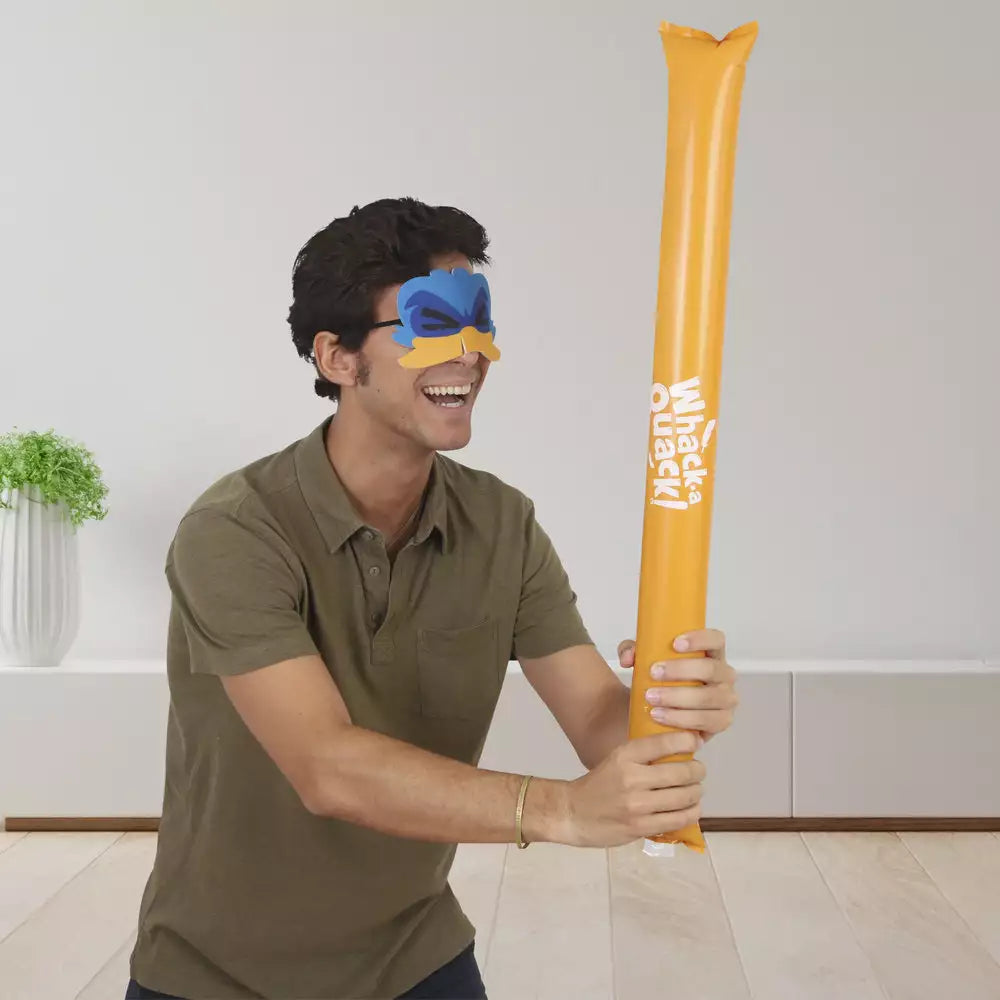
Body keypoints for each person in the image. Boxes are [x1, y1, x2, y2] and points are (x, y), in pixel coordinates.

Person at [126, 197, 739, 1000]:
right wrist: (560, 811)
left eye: (479, 324)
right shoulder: (234, 531)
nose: (470, 354)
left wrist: (669, 710)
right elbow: (327, 767)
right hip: (218, 976)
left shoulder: (501, 524)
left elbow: (599, 722)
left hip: (413, 960)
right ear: (338, 358)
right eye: (432, 324)